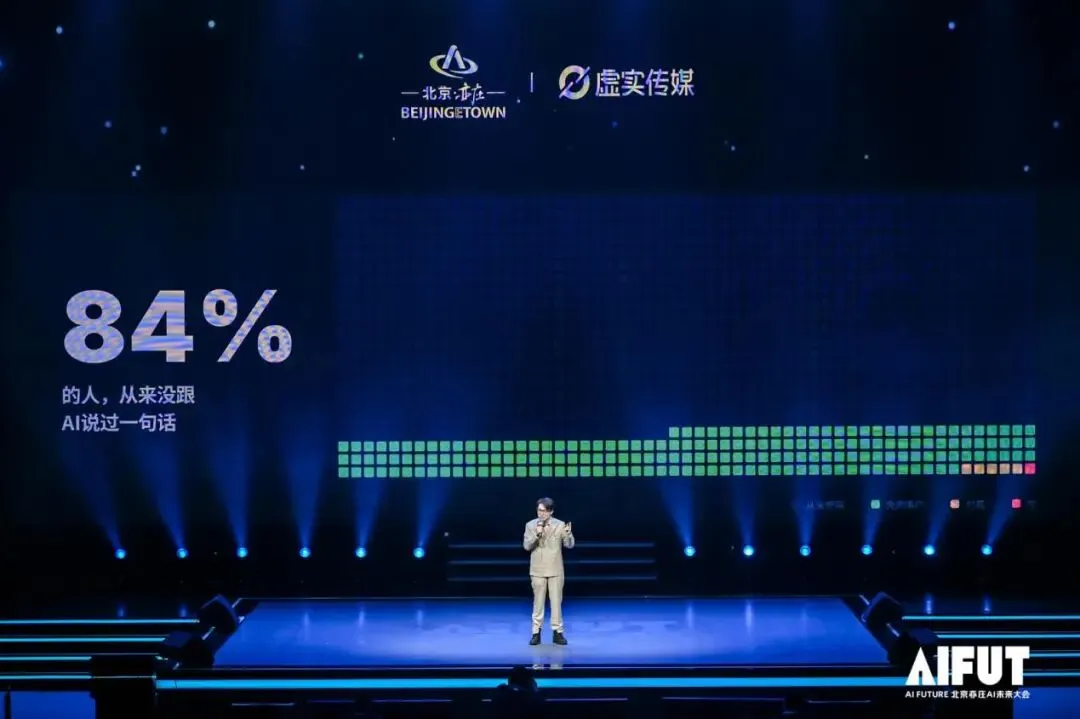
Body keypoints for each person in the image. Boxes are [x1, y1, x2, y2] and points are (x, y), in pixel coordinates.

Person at [522, 497, 574, 645]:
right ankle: (536, 633)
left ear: (551, 512)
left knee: (556, 603)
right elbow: (526, 546)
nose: (541, 514)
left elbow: (569, 545)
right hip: (537, 570)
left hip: (555, 570)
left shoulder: (560, 525)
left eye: (544, 511)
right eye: (539, 510)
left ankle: (558, 632)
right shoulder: (530, 525)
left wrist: (568, 534)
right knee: (538, 603)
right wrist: (536, 534)